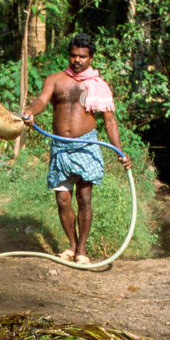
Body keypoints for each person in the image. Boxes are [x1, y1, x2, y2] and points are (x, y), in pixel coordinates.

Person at [22, 34, 131, 264]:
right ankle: (71, 245)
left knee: (84, 197)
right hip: (60, 147)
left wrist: (119, 151)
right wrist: (31, 111)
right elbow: (42, 100)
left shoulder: (98, 86)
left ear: (90, 58)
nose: (77, 60)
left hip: (87, 145)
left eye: (82, 56)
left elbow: (110, 121)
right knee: (62, 199)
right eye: (73, 55)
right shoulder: (56, 80)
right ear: (68, 55)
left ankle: (82, 250)